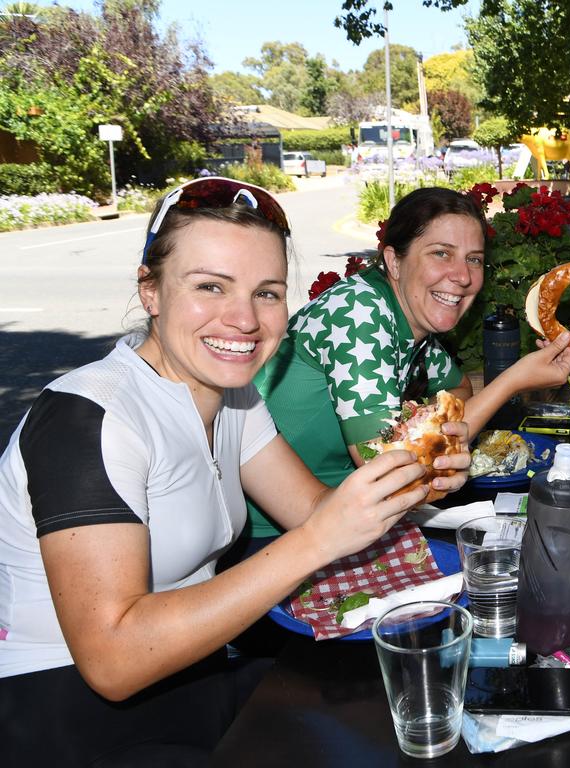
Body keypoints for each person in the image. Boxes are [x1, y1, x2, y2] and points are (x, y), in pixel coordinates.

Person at [0, 178, 470, 764]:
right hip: (64, 710)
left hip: (192, 675)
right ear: (150, 290)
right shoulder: (87, 419)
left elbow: (318, 512)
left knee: (402, 711)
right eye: (210, 287)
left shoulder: (235, 397)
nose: (244, 319)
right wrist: (315, 542)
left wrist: (417, 477)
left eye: (267, 293)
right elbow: (113, 662)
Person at [246, 187, 570, 545]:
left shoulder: (411, 325)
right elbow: (390, 467)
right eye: (441, 253)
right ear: (394, 261)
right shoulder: (359, 313)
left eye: (474, 259)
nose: (463, 276)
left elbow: (460, 388)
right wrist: (512, 381)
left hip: (348, 515)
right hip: (273, 532)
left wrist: (416, 426)